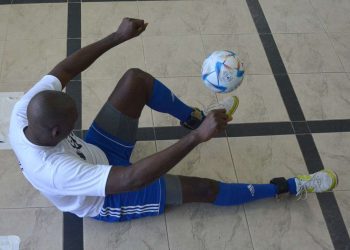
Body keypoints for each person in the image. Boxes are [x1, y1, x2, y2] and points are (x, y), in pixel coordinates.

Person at [9, 18, 338, 222]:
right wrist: (197, 140)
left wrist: (117, 36)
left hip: (98, 153)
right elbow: (130, 179)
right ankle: (290, 188)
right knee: (204, 189)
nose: (76, 125)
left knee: (135, 80)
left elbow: (65, 70)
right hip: (109, 197)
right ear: (55, 131)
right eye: (70, 126)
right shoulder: (53, 170)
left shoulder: (27, 109)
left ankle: (195, 119)